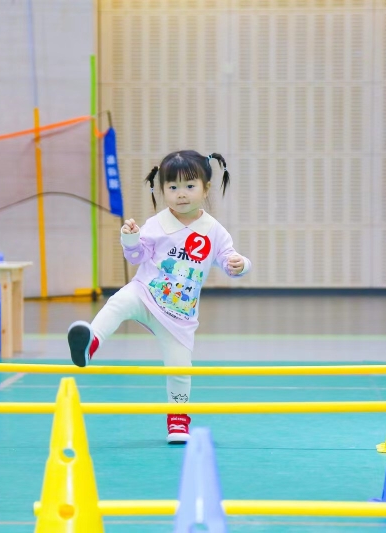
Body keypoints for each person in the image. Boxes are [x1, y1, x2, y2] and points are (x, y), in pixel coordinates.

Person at [67, 151, 251, 443]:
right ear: (162, 190)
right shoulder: (156, 223)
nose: (181, 194)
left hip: (179, 316)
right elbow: (137, 256)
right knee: (118, 302)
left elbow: (229, 259)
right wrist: (130, 239)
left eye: (189, 186)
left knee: (180, 369)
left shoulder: (214, 231)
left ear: (205, 188)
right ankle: (91, 343)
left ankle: (177, 420)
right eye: (173, 187)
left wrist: (240, 264)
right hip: (145, 293)